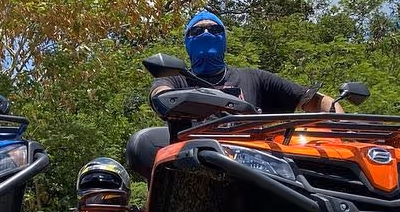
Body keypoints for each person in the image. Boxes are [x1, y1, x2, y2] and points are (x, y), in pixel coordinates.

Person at [128, 10, 343, 179]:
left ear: (223, 38)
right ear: (187, 42)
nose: (206, 34)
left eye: (214, 29)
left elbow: (314, 100)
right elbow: (160, 96)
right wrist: (182, 101)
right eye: (197, 31)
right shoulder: (176, 78)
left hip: (257, 167)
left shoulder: (254, 78)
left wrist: (340, 127)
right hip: (194, 165)